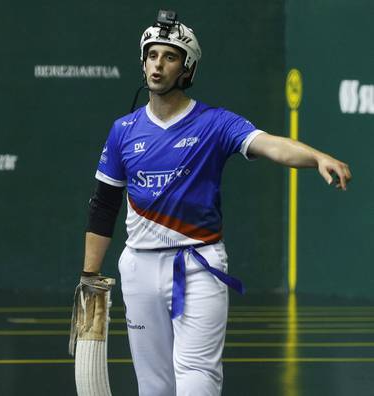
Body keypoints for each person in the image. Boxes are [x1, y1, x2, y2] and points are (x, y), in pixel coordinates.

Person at [80, 10, 351, 396]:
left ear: (186, 68)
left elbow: (270, 143)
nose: (158, 64)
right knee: (153, 385)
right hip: (138, 267)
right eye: (152, 55)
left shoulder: (215, 123)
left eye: (169, 57)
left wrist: (317, 157)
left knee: (197, 377)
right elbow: (104, 205)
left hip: (198, 265)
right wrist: (90, 277)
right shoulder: (123, 131)